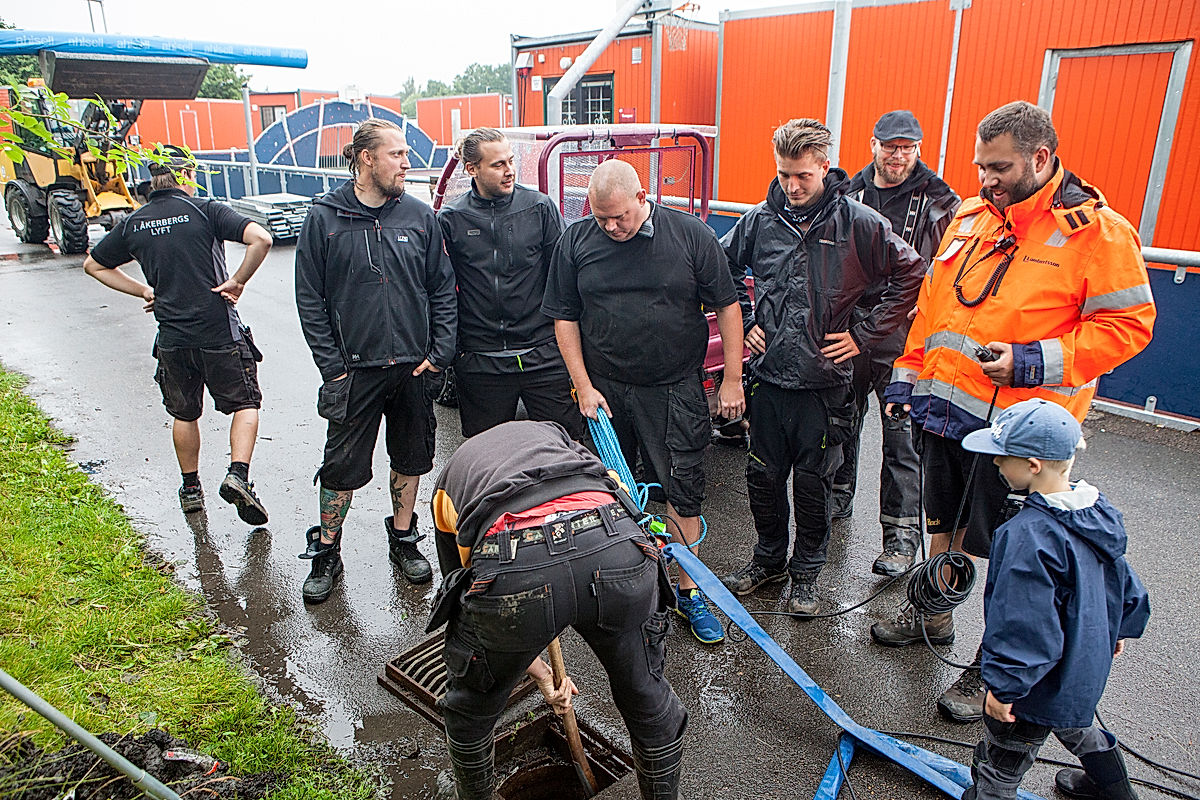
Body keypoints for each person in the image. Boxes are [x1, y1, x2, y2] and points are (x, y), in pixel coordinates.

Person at [876, 101, 1156, 723]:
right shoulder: (971, 216)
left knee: (1012, 551)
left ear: (1041, 158)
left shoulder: (1097, 233)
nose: (986, 179)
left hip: (1020, 434)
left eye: (999, 168)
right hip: (945, 413)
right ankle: (936, 611)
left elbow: (1129, 326)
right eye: (980, 167)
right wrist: (907, 379)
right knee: (942, 522)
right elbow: (932, 311)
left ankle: (993, 662)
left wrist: (1034, 361)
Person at [719, 118, 924, 614]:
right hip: (769, 377)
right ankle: (767, 560)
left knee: (814, 484)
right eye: (785, 175)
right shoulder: (760, 220)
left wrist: (864, 335)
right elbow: (720, 269)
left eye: (802, 177)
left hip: (826, 383)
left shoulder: (859, 223)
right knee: (763, 479)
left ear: (823, 167)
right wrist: (746, 319)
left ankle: (806, 575)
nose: (792, 187)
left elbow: (913, 273)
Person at [428, 420, 688, 800]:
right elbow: (614, 491)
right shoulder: (560, 439)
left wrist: (532, 666)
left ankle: (473, 793)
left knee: (470, 713)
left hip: (515, 570)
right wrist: (543, 673)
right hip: (615, 547)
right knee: (645, 692)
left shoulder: (450, 483)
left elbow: (474, 598)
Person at [542, 159, 745, 645]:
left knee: (683, 488)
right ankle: (623, 585)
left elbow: (728, 306)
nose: (611, 227)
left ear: (642, 195)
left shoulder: (690, 236)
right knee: (610, 490)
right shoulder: (575, 242)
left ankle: (688, 590)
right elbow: (564, 317)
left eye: (620, 217)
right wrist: (583, 385)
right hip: (607, 391)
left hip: (673, 388)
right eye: (600, 218)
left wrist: (733, 379)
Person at [294, 119, 457, 604]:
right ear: (366, 158)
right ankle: (327, 549)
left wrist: (439, 354)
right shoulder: (324, 218)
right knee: (341, 467)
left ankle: (402, 537)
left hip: (412, 369)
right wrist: (334, 368)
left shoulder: (419, 217)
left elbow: (442, 289)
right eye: (398, 155)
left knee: (411, 457)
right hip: (354, 372)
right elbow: (310, 300)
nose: (407, 164)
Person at [958, 399, 1149, 800]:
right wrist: (1120, 628)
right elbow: (1122, 580)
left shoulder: (1027, 534)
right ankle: (1113, 791)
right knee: (1078, 724)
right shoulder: (1097, 513)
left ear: (1031, 465)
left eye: (1001, 457)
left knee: (1005, 759)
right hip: (1085, 661)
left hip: (1035, 683)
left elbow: (1024, 622)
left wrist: (1004, 687)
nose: (995, 465)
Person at [83, 145, 273, 524]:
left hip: (172, 338)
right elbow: (261, 239)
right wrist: (237, 280)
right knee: (245, 404)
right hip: (219, 332)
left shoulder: (135, 222)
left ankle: (190, 489)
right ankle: (238, 475)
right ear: (186, 174)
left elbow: (94, 265)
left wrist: (143, 290)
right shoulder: (206, 209)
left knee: (185, 414)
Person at [834, 110, 961, 577]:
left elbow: (954, 269)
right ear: (873, 144)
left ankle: (901, 537)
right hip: (849, 332)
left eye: (907, 147)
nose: (898, 155)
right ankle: (834, 504)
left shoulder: (943, 202)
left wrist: (925, 306)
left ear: (919, 149)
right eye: (890, 145)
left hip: (904, 341)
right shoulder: (848, 194)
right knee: (838, 424)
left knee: (902, 438)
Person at [436, 128, 582, 439]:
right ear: (472, 169)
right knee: (488, 456)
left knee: (564, 446)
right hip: (481, 362)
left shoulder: (539, 208)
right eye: (498, 164)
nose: (510, 171)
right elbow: (439, 290)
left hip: (541, 356)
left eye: (511, 161)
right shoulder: (451, 219)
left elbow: (563, 281)